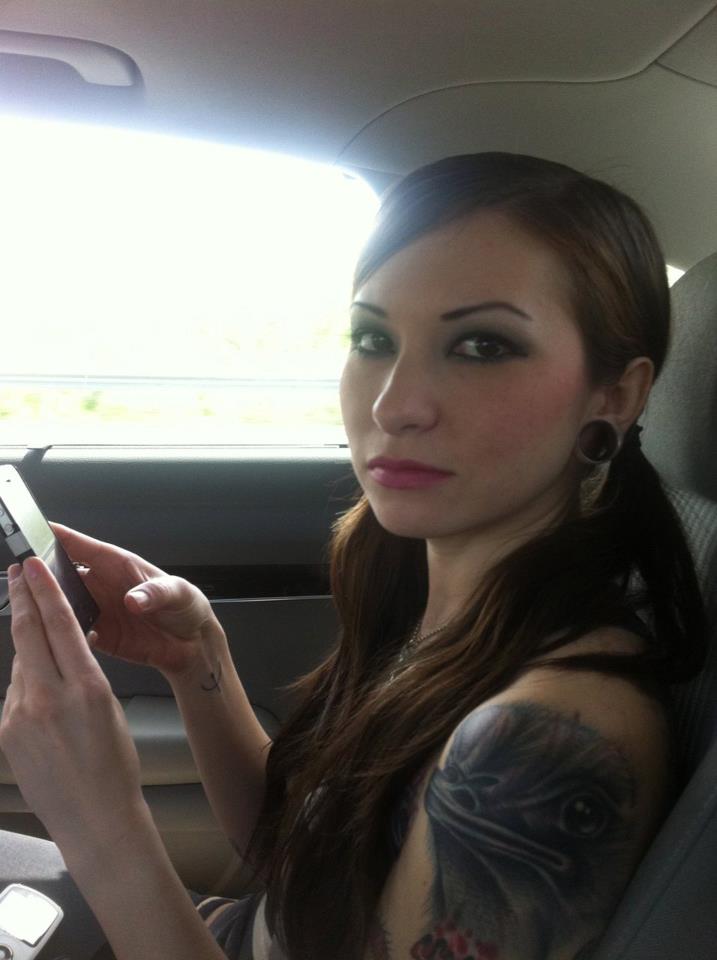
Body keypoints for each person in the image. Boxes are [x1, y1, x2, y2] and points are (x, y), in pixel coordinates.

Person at [0, 152, 707, 960]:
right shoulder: (442, 603)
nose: (393, 403)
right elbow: (298, 865)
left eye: (481, 345)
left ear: (614, 394)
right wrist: (200, 663)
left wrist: (99, 823)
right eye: (372, 338)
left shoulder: (541, 746)